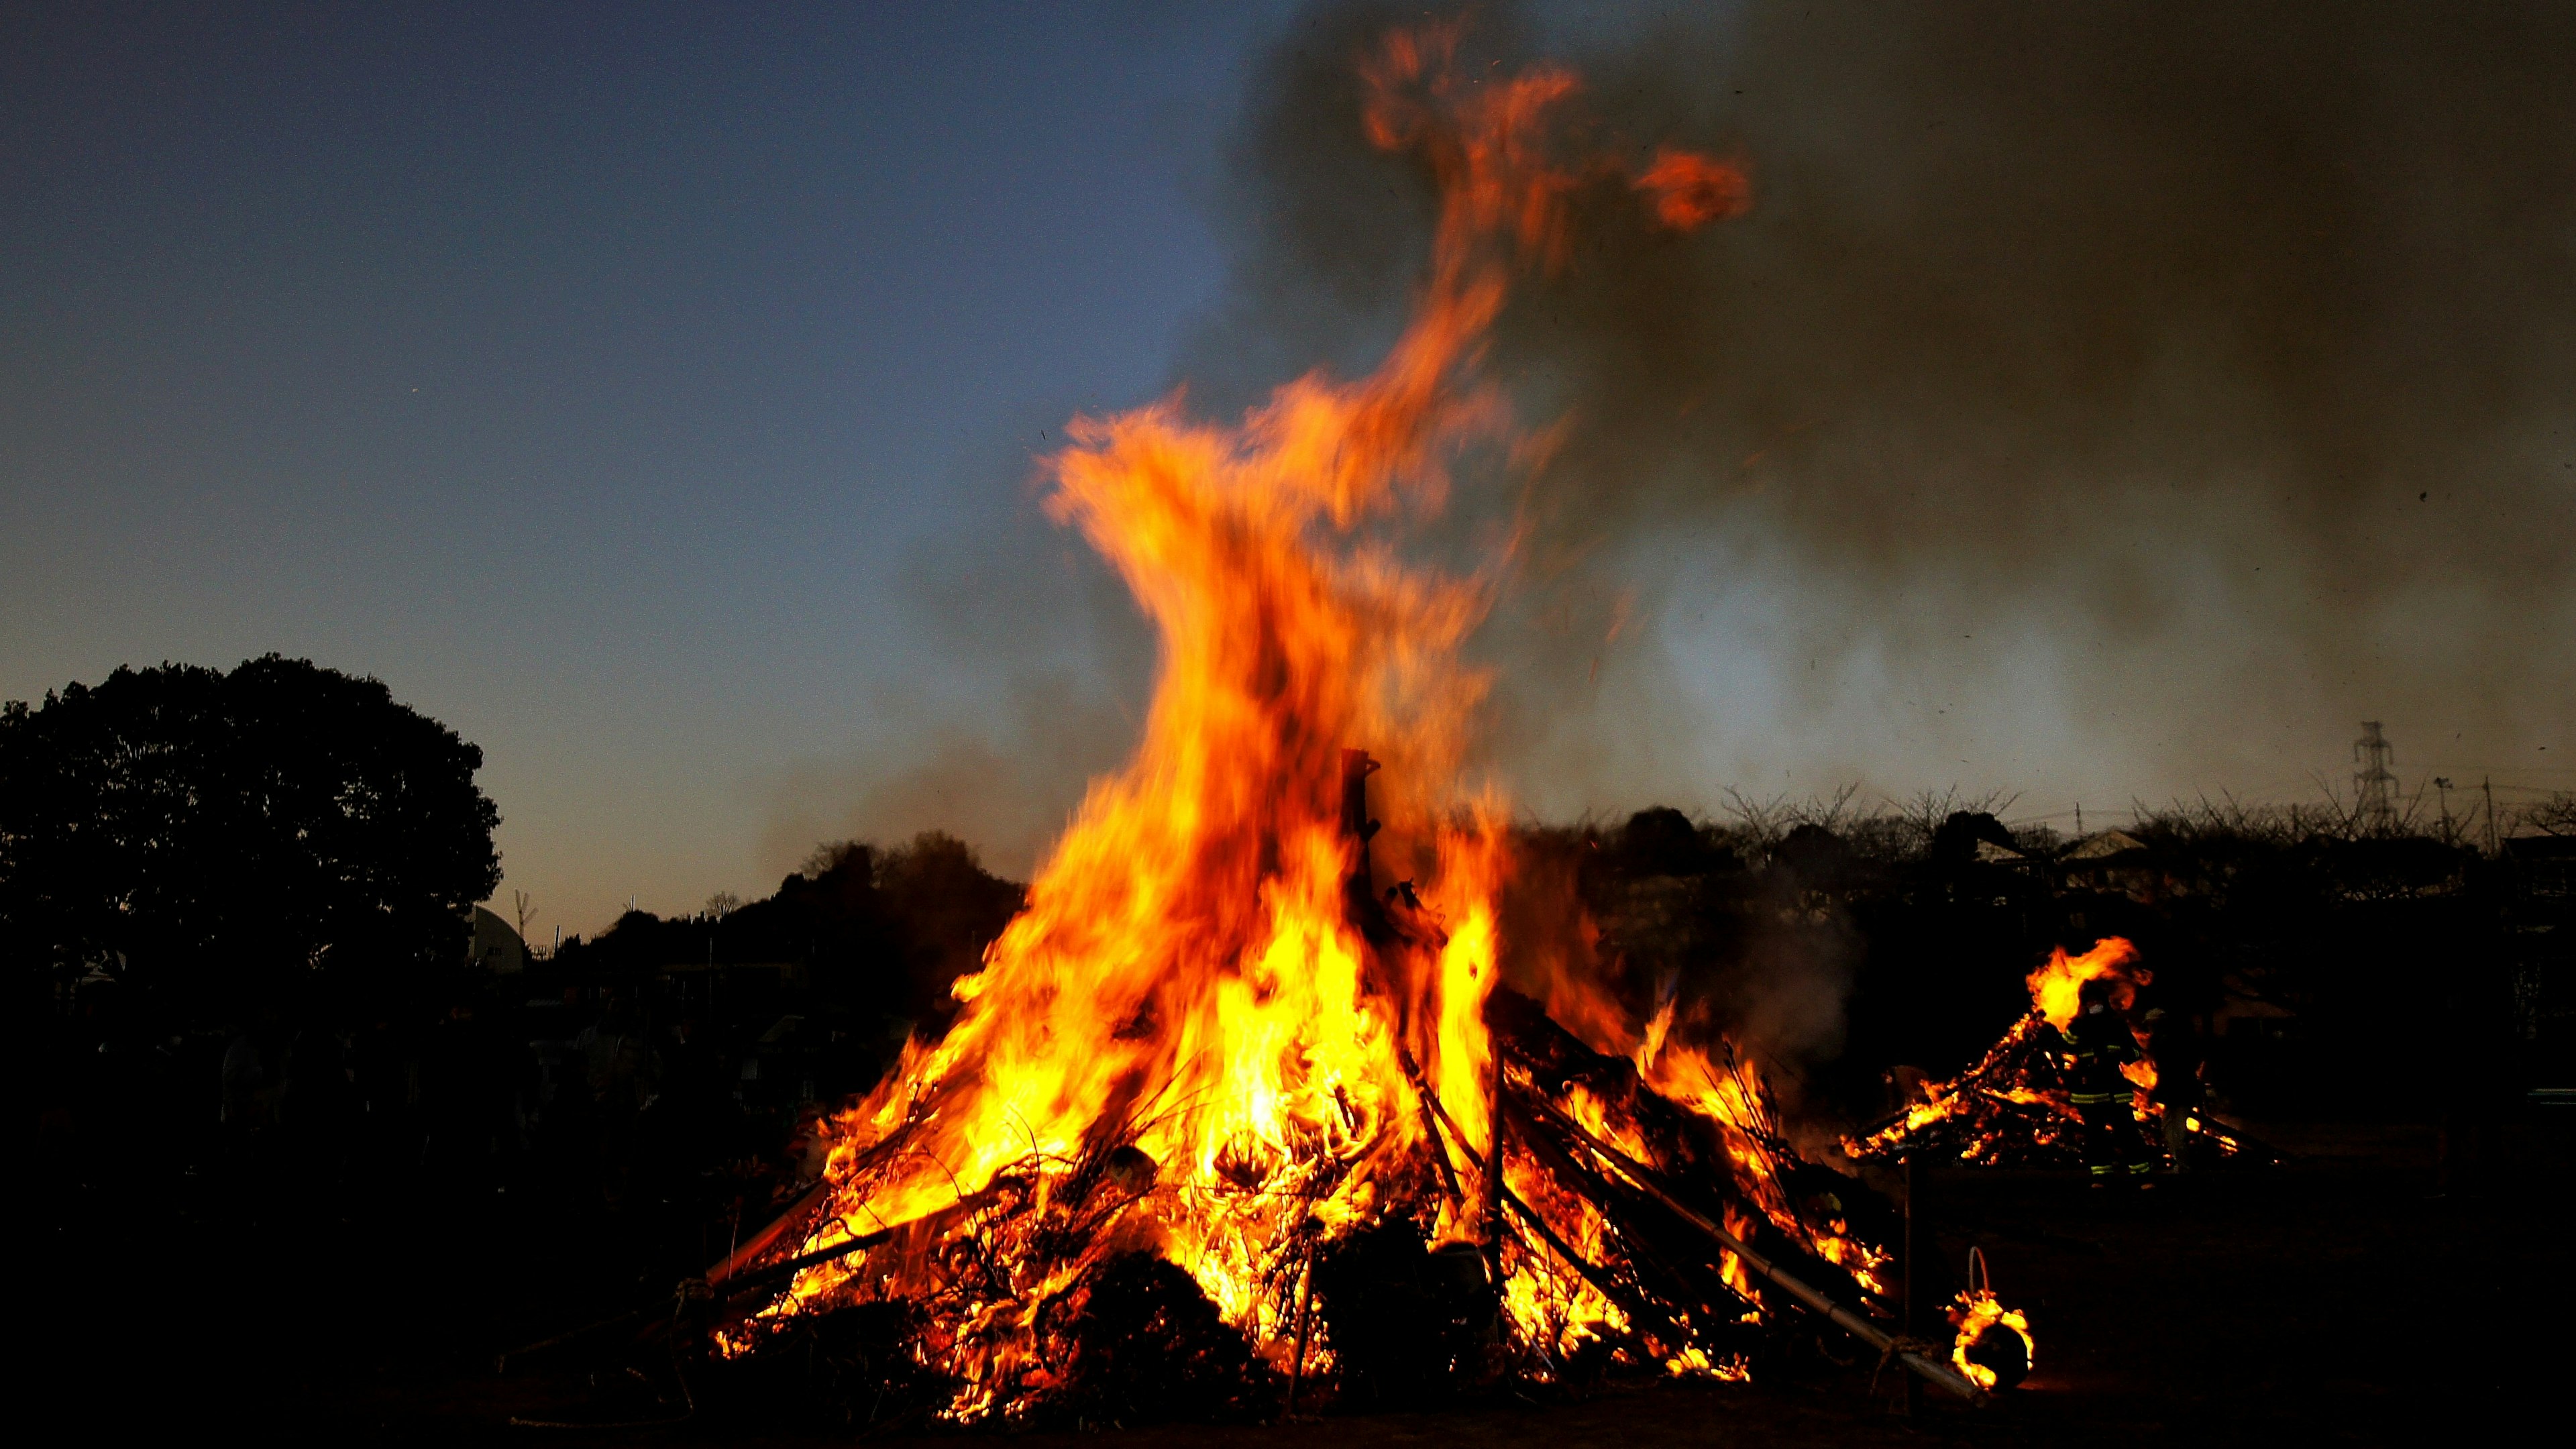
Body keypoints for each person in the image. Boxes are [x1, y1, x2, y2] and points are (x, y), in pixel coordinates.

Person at [2060, 977, 2153, 1186]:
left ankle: (2142, 1176)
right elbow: (2066, 1045)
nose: (2094, 1006)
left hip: (2114, 1090)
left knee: (2128, 1134)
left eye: (2096, 1002)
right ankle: (2101, 1177)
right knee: (2096, 1137)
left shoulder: (2116, 1024)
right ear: (2084, 1005)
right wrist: (2079, 1022)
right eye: (2090, 1003)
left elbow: (2135, 1052)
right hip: (2089, 1092)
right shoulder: (2079, 1025)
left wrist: (2118, 1052)